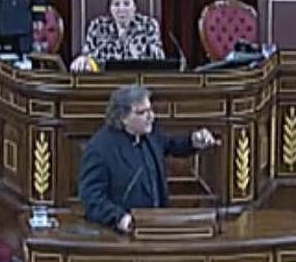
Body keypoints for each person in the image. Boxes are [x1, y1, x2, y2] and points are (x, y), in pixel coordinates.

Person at [79, 85, 220, 233]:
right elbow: (92, 198)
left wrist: (193, 141)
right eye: (142, 112)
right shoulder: (99, 149)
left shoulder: (150, 135)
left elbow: (171, 144)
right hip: (121, 234)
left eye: (150, 110)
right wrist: (119, 218)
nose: (151, 117)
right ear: (123, 117)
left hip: (156, 225)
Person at [70, 0, 165, 72]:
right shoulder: (97, 26)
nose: (121, 9)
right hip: (106, 79)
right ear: (110, 8)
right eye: (116, 4)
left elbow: (159, 59)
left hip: (139, 78)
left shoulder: (148, 25)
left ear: (134, 7)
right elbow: (87, 57)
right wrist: (83, 60)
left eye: (126, 4)